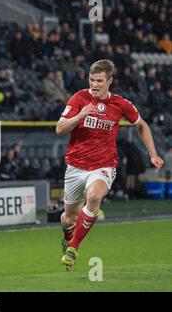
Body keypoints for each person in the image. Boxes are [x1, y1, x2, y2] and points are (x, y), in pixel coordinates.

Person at [56, 59, 164, 270]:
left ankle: (73, 248)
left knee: (94, 197)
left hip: (103, 165)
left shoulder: (121, 104)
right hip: (76, 166)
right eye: (91, 80)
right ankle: (68, 234)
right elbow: (60, 129)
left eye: (99, 81)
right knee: (68, 218)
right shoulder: (79, 98)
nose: (94, 85)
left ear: (109, 81)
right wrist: (80, 115)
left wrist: (153, 154)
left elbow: (142, 125)